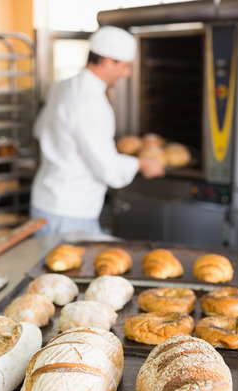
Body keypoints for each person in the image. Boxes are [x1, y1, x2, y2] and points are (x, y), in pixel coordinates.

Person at [30, 25, 165, 236]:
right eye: (126, 66)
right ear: (108, 61)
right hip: (70, 212)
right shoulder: (90, 102)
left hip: (45, 203)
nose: (127, 74)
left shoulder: (62, 86)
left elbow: (40, 131)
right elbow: (108, 169)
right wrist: (141, 163)